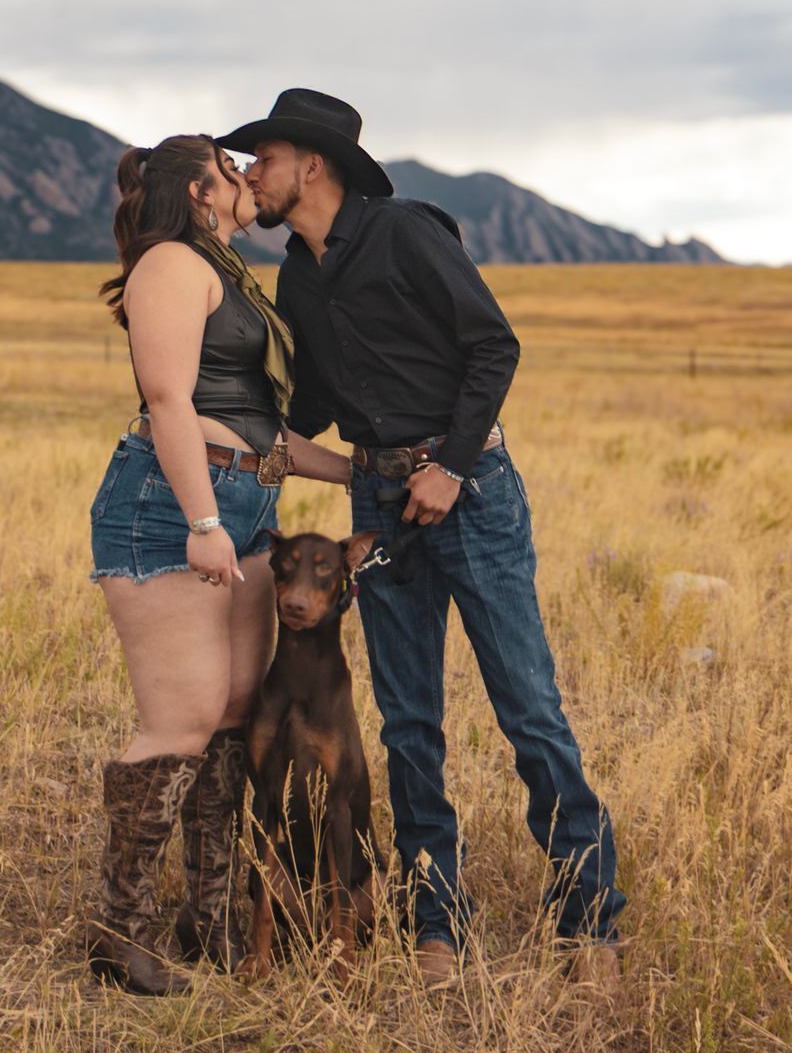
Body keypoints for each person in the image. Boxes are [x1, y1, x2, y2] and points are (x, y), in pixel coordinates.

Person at [219, 90, 628, 989]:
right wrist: (224, 371)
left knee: (528, 708)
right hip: (377, 498)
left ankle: (588, 918)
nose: (252, 173)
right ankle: (436, 916)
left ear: (312, 164)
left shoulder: (405, 232)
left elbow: (494, 346)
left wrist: (445, 463)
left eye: (265, 158)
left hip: (468, 487)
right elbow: (315, 404)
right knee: (409, 726)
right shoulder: (296, 275)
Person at [84, 133, 350, 996]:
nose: (247, 179)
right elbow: (168, 398)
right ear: (200, 190)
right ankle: (115, 931)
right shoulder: (169, 261)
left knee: (235, 711)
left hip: (245, 501)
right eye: (231, 170)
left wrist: (356, 470)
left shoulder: (227, 271)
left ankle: (210, 919)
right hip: (171, 503)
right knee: (182, 715)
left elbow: (259, 427)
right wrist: (201, 515)